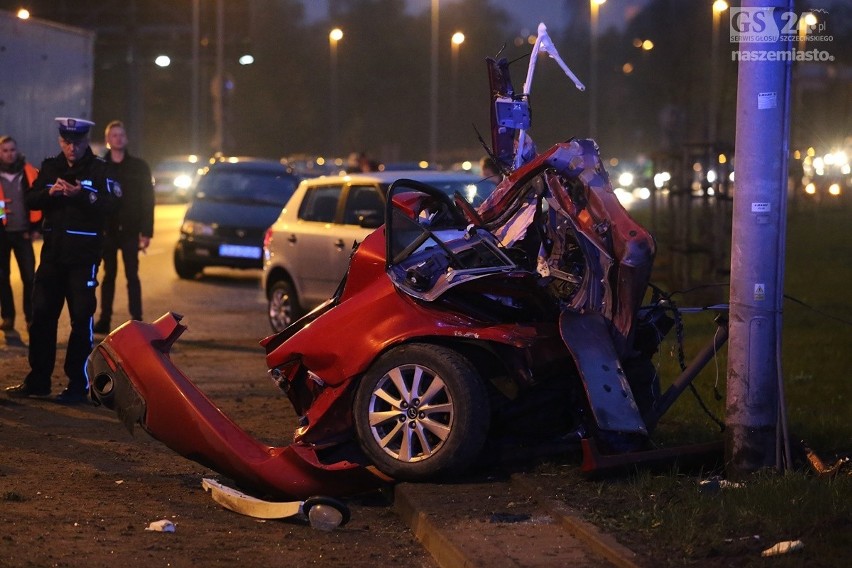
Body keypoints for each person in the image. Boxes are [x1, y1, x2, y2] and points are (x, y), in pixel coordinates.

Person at [5, 118, 120, 404]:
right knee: (42, 317)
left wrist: (83, 195)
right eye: (67, 142)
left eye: (78, 142)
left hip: (83, 259)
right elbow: (30, 199)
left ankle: (77, 385)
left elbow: (112, 205)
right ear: (60, 142)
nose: (72, 148)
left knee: (81, 320)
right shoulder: (50, 167)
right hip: (52, 258)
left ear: (86, 141)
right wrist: (50, 193)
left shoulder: (99, 169)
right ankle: (38, 381)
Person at [93, 120, 153, 334]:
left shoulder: (139, 167)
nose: (118, 138)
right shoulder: (100, 167)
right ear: (108, 140)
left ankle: (137, 319)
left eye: (121, 135)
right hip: (108, 230)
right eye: (114, 135)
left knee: (132, 275)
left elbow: (148, 200)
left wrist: (146, 232)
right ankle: (104, 319)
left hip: (130, 230)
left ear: (126, 138)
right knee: (108, 276)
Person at [0, 135, 42, 331]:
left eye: (12, 150)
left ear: (17, 151)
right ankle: (7, 317)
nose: (9, 154)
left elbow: (38, 201)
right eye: (5, 150)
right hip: (3, 234)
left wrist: (35, 228)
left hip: (24, 233)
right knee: (2, 277)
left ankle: (31, 317)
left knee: (29, 277)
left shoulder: (28, 171)